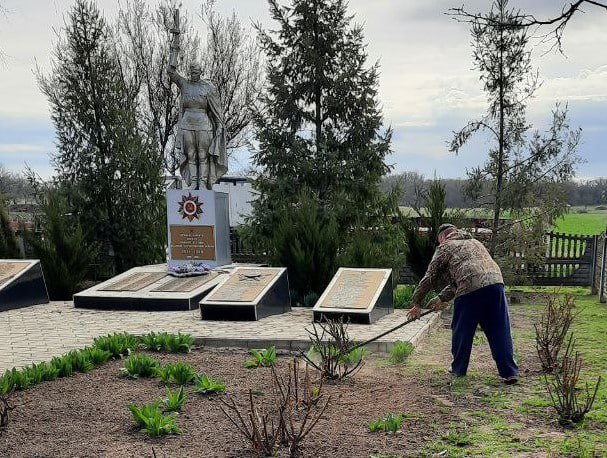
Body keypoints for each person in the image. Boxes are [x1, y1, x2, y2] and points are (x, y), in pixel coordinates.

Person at [407, 224, 519, 384]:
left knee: (462, 330)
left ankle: (459, 369)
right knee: (499, 330)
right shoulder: (475, 242)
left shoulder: (445, 247)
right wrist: (441, 298)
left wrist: (417, 302)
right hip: (496, 284)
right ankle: (509, 372)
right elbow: (463, 275)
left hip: (470, 289)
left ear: (442, 237)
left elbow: (430, 277)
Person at [168, 11, 227, 190]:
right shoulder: (184, 84)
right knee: (191, 154)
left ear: (200, 72)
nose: (193, 74)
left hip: (203, 123)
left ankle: (202, 184)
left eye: (196, 72)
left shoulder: (208, 87)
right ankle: (193, 184)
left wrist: (219, 126)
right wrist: (175, 44)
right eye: (191, 71)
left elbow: (215, 109)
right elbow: (171, 72)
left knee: (203, 154)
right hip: (187, 123)